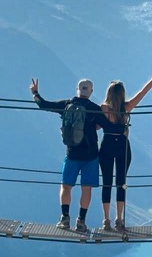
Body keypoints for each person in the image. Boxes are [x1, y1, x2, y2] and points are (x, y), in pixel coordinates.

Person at [30, 77, 109, 232]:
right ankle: (81, 221)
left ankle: (65, 218)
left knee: (66, 186)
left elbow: (43, 105)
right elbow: (107, 125)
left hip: (72, 154)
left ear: (77, 90)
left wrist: (35, 93)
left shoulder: (66, 105)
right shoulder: (94, 109)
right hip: (90, 156)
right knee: (86, 189)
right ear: (91, 92)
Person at [99, 63, 152, 231]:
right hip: (123, 146)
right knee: (121, 182)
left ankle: (106, 220)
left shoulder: (102, 109)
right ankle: (119, 220)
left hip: (107, 145)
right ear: (122, 94)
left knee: (107, 183)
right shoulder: (126, 107)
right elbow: (143, 92)